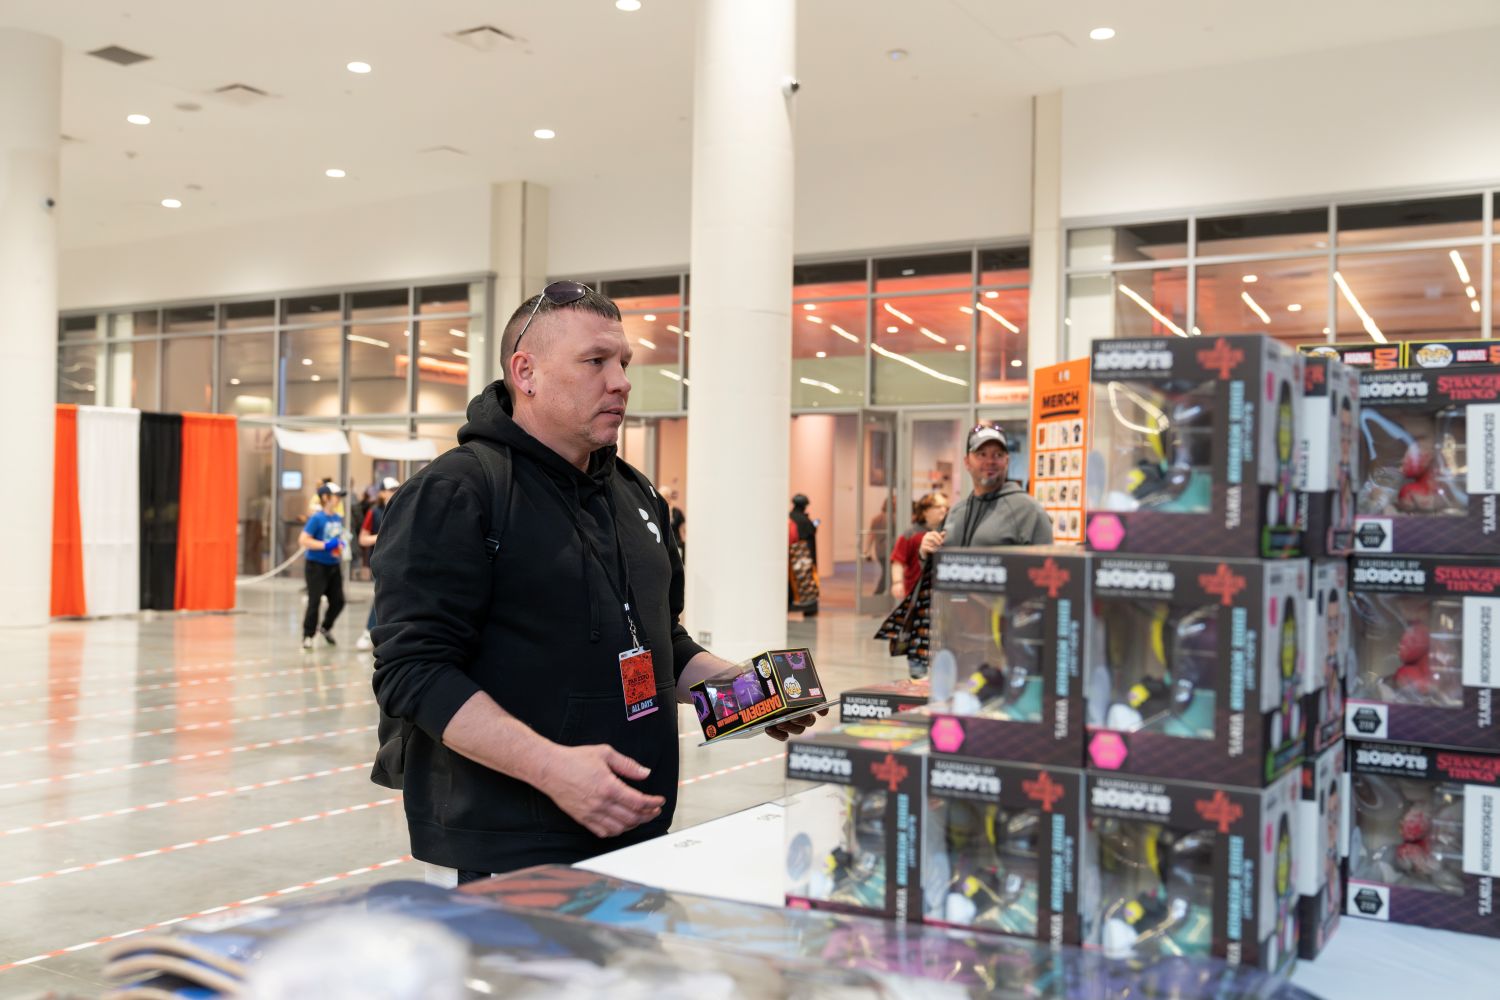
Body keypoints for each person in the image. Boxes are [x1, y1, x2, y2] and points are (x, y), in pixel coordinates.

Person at [371, 281, 821, 883]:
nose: (622, 381)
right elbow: (413, 671)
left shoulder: (635, 495)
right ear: (525, 372)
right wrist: (552, 768)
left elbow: (661, 641)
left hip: (635, 826)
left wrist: (749, 694)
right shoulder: (460, 493)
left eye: (624, 363)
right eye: (595, 362)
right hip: (506, 851)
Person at [920, 423, 1052, 562]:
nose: (990, 461)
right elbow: (936, 569)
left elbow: (1045, 573)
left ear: (1007, 461)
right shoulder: (955, 513)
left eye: (998, 455)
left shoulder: (1029, 512)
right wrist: (925, 553)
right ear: (967, 462)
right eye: (981, 454)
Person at [300, 482, 347, 650]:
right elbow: (304, 539)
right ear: (326, 498)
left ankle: (326, 627)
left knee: (339, 601)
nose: (339, 499)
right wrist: (325, 545)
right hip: (316, 566)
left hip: (333, 565)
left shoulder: (336, 518)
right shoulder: (316, 518)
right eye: (336, 496)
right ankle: (308, 635)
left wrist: (340, 546)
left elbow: (338, 538)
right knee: (314, 602)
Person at [356, 476, 400, 652]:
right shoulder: (374, 512)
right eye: (391, 490)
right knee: (381, 596)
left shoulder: (402, 508)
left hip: (398, 560)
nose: (394, 493)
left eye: (396, 489)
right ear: (382, 492)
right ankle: (368, 632)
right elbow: (363, 539)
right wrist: (383, 535)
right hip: (380, 561)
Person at [890, 492, 949, 602]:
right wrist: (897, 582)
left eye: (945, 506)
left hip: (941, 593)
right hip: (916, 592)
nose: (943, 510)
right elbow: (897, 561)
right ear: (925, 511)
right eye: (938, 506)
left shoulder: (948, 532)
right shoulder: (910, 534)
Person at [788, 494, 819, 617]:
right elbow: (811, 531)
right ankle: (809, 607)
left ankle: (792, 603)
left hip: (793, 555)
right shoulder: (804, 520)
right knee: (807, 581)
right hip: (805, 555)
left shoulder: (790, 517)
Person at [864, 497, 891, 595]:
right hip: (889, 550)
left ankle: (882, 594)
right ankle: (878, 594)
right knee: (888, 573)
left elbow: (871, 535)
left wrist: (867, 550)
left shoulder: (876, 518)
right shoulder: (894, 518)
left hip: (879, 550)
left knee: (887, 572)